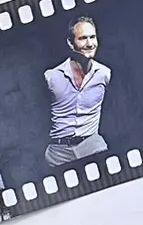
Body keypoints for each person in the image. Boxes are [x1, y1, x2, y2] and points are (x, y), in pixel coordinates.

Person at [44, 18, 111, 167]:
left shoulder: (104, 74)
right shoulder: (51, 77)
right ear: (70, 43)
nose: (90, 44)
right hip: (58, 152)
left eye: (92, 37)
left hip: (92, 146)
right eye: (82, 38)